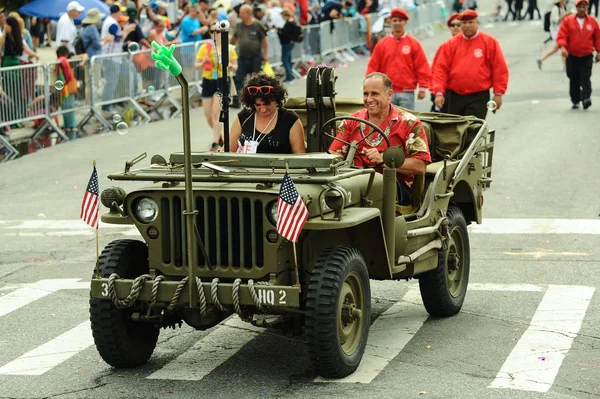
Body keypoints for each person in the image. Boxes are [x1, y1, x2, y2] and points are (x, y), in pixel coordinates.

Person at [329, 72, 431, 206]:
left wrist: (384, 160)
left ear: (389, 94)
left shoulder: (409, 123)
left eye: (375, 94)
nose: (369, 99)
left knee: (370, 189)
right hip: (353, 181)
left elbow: (420, 166)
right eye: (366, 94)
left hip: (394, 185)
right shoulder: (351, 121)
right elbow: (334, 154)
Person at [431, 10, 509, 120]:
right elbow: (440, 70)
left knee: (473, 129)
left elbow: (499, 68)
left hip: (479, 96)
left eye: (470, 22)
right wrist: (439, 92)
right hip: (456, 95)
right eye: (464, 23)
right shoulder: (450, 45)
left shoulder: (489, 42)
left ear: (477, 22)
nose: (467, 26)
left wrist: (498, 93)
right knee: (455, 131)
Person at [365, 8, 432, 111]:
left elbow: (421, 65)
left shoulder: (413, 43)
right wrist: (369, 87)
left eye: (400, 20)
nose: (397, 23)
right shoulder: (382, 44)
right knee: (387, 123)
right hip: (386, 92)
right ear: (390, 21)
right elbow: (373, 66)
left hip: (407, 92)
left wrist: (423, 87)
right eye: (394, 20)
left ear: (405, 22)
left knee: (406, 123)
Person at [229, 72, 306, 154]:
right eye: (257, 105)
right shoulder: (243, 117)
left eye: (267, 104)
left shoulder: (290, 120)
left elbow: (299, 155)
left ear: (276, 100)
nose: (262, 109)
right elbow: (229, 150)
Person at [195, 23, 238, 151]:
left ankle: (215, 143)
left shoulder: (229, 48)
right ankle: (219, 137)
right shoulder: (205, 47)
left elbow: (236, 67)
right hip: (208, 80)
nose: (215, 34)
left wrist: (230, 65)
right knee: (208, 115)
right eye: (212, 31)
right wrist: (203, 61)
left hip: (222, 79)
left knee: (216, 113)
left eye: (218, 31)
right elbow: (196, 65)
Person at [556, 0, 600, 110]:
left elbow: (598, 38)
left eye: (584, 7)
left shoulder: (592, 22)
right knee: (574, 78)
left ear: (587, 8)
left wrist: (599, 52)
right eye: (579, 7)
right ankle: (575, 99)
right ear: (576, 8)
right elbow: (562, 35)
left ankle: (586, 98)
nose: (581, 9)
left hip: (587, 55)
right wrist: (563, 47)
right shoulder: (568, 21)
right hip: (572, 55)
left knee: (586, 77)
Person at [230, 4, 269, 108]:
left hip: (255, 57)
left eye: (242, 13)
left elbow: (264, 41)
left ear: (249, 13)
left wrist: (265, 54)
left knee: (255, 80)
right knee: (239, 79)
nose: (240, 14)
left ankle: (256, 100)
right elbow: (233, 39)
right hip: (242, 57)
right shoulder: (239, 25)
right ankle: (237, 100)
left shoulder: (257, 25)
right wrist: (229, 50)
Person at [430, 13, 461, 112]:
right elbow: (436, 70)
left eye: (458, 24)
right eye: (453, 25)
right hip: (448, 92)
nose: (455, 27)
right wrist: (435, 91)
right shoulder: (444, 47)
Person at [537, 0, 570, 70]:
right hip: (556, 31)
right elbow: (555, 20)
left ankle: (540, 60)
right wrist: (564, 15)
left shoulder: (563, 8)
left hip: (561, 30)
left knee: (555, 49)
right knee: (562, 47)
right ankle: (565, 66)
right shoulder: (556, 8)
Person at [277, 8, 299, 82]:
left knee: (285, 60)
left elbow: (285, 34)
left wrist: (279, 32)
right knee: (288, 59)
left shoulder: (289, 23)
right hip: (289, 43)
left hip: (287, 43)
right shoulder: (292, 22)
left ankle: (289, 76)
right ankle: (289, 75)